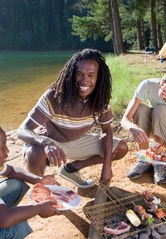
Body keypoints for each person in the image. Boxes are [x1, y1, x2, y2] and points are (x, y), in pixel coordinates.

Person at [17, 48, 128, 189]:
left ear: (98, 78)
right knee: (34, 153)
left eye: (91, 75)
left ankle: (71, 169)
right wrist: (46, 143)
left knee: (121, 148)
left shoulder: (100, 100)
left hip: (76, 142)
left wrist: (107, 166)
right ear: (71, 74)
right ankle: (42, 187)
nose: (84, 80)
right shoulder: (54, 96)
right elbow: (22, 130)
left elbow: (106, 131)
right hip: (51, 142)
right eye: (79, 74)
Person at [121, 64, 166, 184]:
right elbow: (125, 119)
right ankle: (145, 157)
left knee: (162, 110)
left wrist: (164, 158)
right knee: (140, 109)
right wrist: (132, 127)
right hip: (155, 125)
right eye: (164, 80)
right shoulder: (147, 85)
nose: (164, 87)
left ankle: (158, 163)